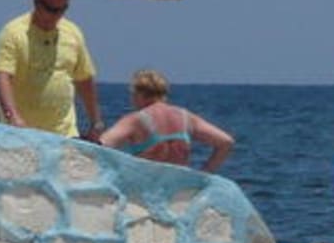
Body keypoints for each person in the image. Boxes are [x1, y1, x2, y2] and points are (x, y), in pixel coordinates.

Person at [0, 0, 102, 140]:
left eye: (60, 10)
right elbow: (2, 76)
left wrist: (96, 121)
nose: (53, 15)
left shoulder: (73, 33)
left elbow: (84, 78)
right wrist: (13, 117)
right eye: (49, 9)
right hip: (22, 134)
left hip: (64, 135)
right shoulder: (13, 32)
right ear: (36, 3)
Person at [97, 69, 234, 173]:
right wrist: (205, 173)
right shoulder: (186, 117)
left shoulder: (135, 120)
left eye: (132, 94)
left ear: (139, 94)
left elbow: (102, 145)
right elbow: (226, 142)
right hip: (180, 188)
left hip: (148, 188)